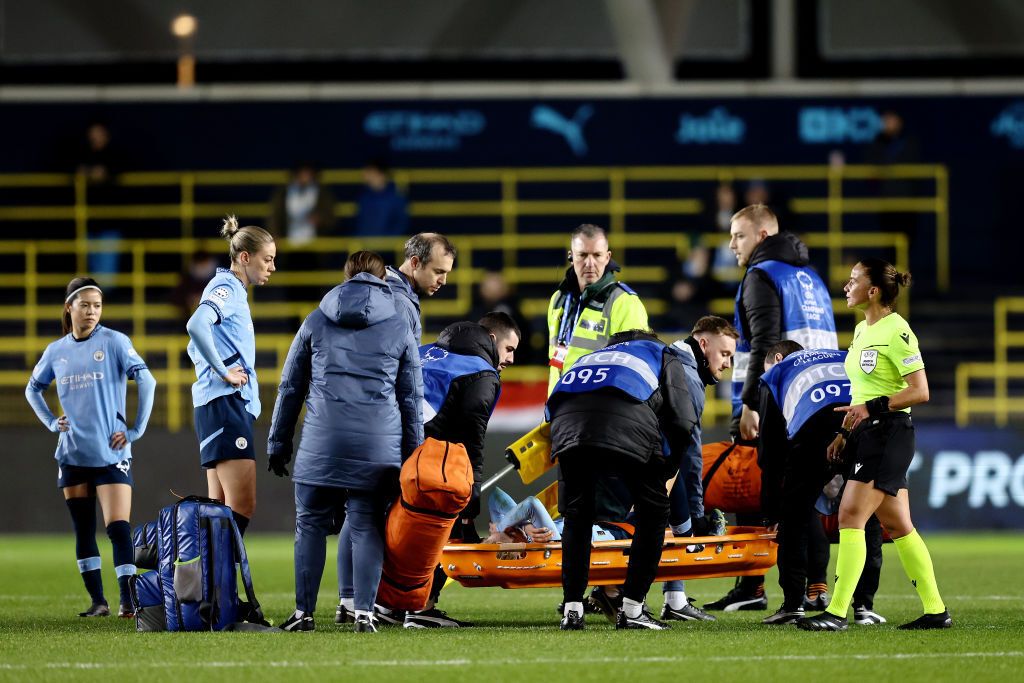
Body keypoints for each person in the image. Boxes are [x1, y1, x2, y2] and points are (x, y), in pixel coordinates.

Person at [267, 251, 423, 634]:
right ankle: (365, 613)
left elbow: (290, 388)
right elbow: (411, 399)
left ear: (346, 276)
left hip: (322, 439)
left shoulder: (316, 320)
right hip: (377, 446)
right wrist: (414, 453)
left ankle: (304, 614)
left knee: (310, 525)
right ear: (383, 278)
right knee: (366, 524)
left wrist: (278, 441)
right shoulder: (399, 325)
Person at [798, 259, 951, 631]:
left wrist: (870, 409)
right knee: (899, 525)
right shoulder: (862, 331)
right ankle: (936, 611)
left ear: (873, 291)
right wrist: (845, 433)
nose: (846, 286)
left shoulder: (898, 331)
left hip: (890, 433)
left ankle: (835, 613)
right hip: (869, 434)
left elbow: (920, 391)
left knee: (850, 516)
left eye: (853, 281)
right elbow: (862, 393)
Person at [705, 203, 837, 612]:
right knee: (809, 494)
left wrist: (749, 404)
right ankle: (811, 588)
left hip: (779, 400)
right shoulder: (812, 279)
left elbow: (762, 343)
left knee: (772, 494)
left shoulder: (761, 276)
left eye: (738, 235)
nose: (731, 244)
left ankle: (764, 588)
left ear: (762, 236)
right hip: (824, 397)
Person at [548, 329, 698, 631]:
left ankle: (573, 610)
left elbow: (554, 404)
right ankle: (632, 610)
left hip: (565, 427)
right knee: (653, 513)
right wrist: (666, 468)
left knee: (578, 516)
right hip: (628, 423)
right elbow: (683, 419)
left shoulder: (589, 357)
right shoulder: (662, 353)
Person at [25, 276, 156, 618]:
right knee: (83, 529)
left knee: (117, 527)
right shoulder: (56, 351)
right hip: (72, 453)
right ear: (69, 308)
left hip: (111, 452)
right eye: (85, 305)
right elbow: (32, 389)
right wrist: (53, 422)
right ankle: (99, 602)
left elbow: (147, 379)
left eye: (97, 306)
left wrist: (136, 429)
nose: (92, 312)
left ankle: (129, 601)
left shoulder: (114, 342)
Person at [399, 311, 520, 629]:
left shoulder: (426, 350)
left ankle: (371, 604)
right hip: (428, 461)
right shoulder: (481, 373)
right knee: (441, 530)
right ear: (492, 339)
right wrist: (471, 497)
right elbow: (472, 440)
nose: (510, 359)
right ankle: (420, 608)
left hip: (386, 448)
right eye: (509, 350)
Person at [185, 216, 276, 538]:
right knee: (241, 506)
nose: (272, 267)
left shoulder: (232, 290)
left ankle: (211, 586)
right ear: (245, 257)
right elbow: (195, 325)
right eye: (267, 259)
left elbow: (196, 341)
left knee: (218, 508)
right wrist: (223, 371)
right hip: (224, 404)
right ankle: (213, 582)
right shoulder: (227, 288)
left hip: (216, 405)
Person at [757, 341, 847, 624]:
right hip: (860, 426)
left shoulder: (777, 372)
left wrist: (772, 510)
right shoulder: (842, 356)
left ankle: (793, 604)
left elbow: (769, 451)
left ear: (778, 358)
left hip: (812, 432)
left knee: (794, 518)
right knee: (862, 518)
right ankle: (863, 606)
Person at [658, 315, 738, 622]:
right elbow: (688, 453)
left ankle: (671, 598)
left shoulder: (667, 357)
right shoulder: (687, 379)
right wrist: (696, 509)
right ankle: (662, 601)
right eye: (724, 354)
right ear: (703, 344)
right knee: (678, 522)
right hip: (645, 463)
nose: (727, 364)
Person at [546, 223, 648, 395]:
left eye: (597, 255)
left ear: (608, 257)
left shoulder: (625, 303)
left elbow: (634, 369)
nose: (590, 263)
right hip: (560, 409)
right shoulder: (558, 299)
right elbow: (556, 362)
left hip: (599, 412)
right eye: (583, 255)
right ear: (571, 256)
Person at [384, 232, 457, 344]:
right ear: (415, 263)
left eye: (446, 273)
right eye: (438, 272)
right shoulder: (399, 302)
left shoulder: (384, 286)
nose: (443, 281)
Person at [468, 271, 535, 364]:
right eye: (488, 285)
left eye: (496, 284)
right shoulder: (476, 310)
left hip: (516, 363)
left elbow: (524, 337)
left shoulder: (513, 309)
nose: (492, 289)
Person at [353, 159, 409, 236]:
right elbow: (359, 225)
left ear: (381, 174)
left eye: (370, 172)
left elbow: (401, 225)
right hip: (365, 245)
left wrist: (387, 242)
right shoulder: (363, 198)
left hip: (389, 246)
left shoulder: (397, 199)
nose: (364, 175)